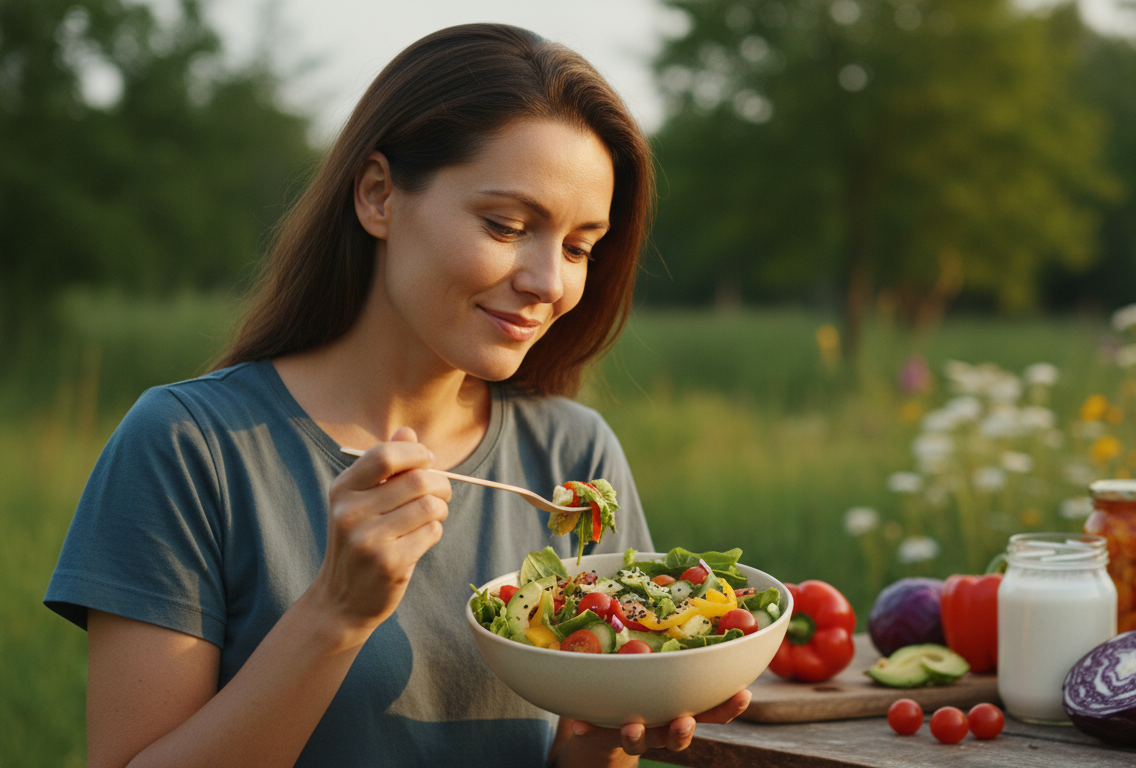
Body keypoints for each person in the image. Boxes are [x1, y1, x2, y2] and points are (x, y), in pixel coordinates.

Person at [44, 23, 749, 768]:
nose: (550, 282)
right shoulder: (189, 448)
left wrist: (599, 745)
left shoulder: (575, 461)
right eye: (507, 226)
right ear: (379, 196)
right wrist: (335, 615)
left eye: (579, 247)